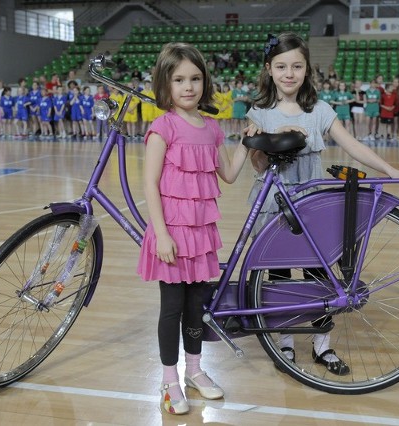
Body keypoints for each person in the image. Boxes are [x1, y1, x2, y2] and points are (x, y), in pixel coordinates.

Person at [245, 33, 399, 374]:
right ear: (269, 69)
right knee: (280, 277)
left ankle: (322, 343)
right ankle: (285, 341)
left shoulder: (319, 110)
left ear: (307, 69)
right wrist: (263, 143)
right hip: (274, 204)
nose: (289, 73)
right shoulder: (259, 112)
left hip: (312, 203)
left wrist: (389, 169)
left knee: (321, 274)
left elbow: (352, 146)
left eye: (297, 66)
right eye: (281, 66)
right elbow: (258, 166)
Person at [136, 42, 250, 415]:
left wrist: (246, 143)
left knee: (196, 306)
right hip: (171, 232)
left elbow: (228, 175)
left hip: (201, 235)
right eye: (179, 79)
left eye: (196, 78)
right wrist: (163, 234)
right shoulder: (162, 127)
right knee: (171, 307)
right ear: (165, 84)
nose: (189, 86)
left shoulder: (212, 129)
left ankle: (195, 372)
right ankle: (170, 380)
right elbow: (150, 184)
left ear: (205, 82)